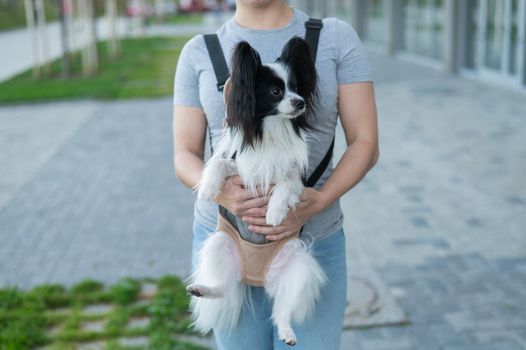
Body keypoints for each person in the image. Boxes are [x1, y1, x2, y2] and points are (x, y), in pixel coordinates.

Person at [172, 0, 379, 349]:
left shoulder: (334, 38)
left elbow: (366, 142)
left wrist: (320, 200)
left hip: (311, 239)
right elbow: (183, 155)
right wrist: (224, 193)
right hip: (225, 236)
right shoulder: (199, 51)